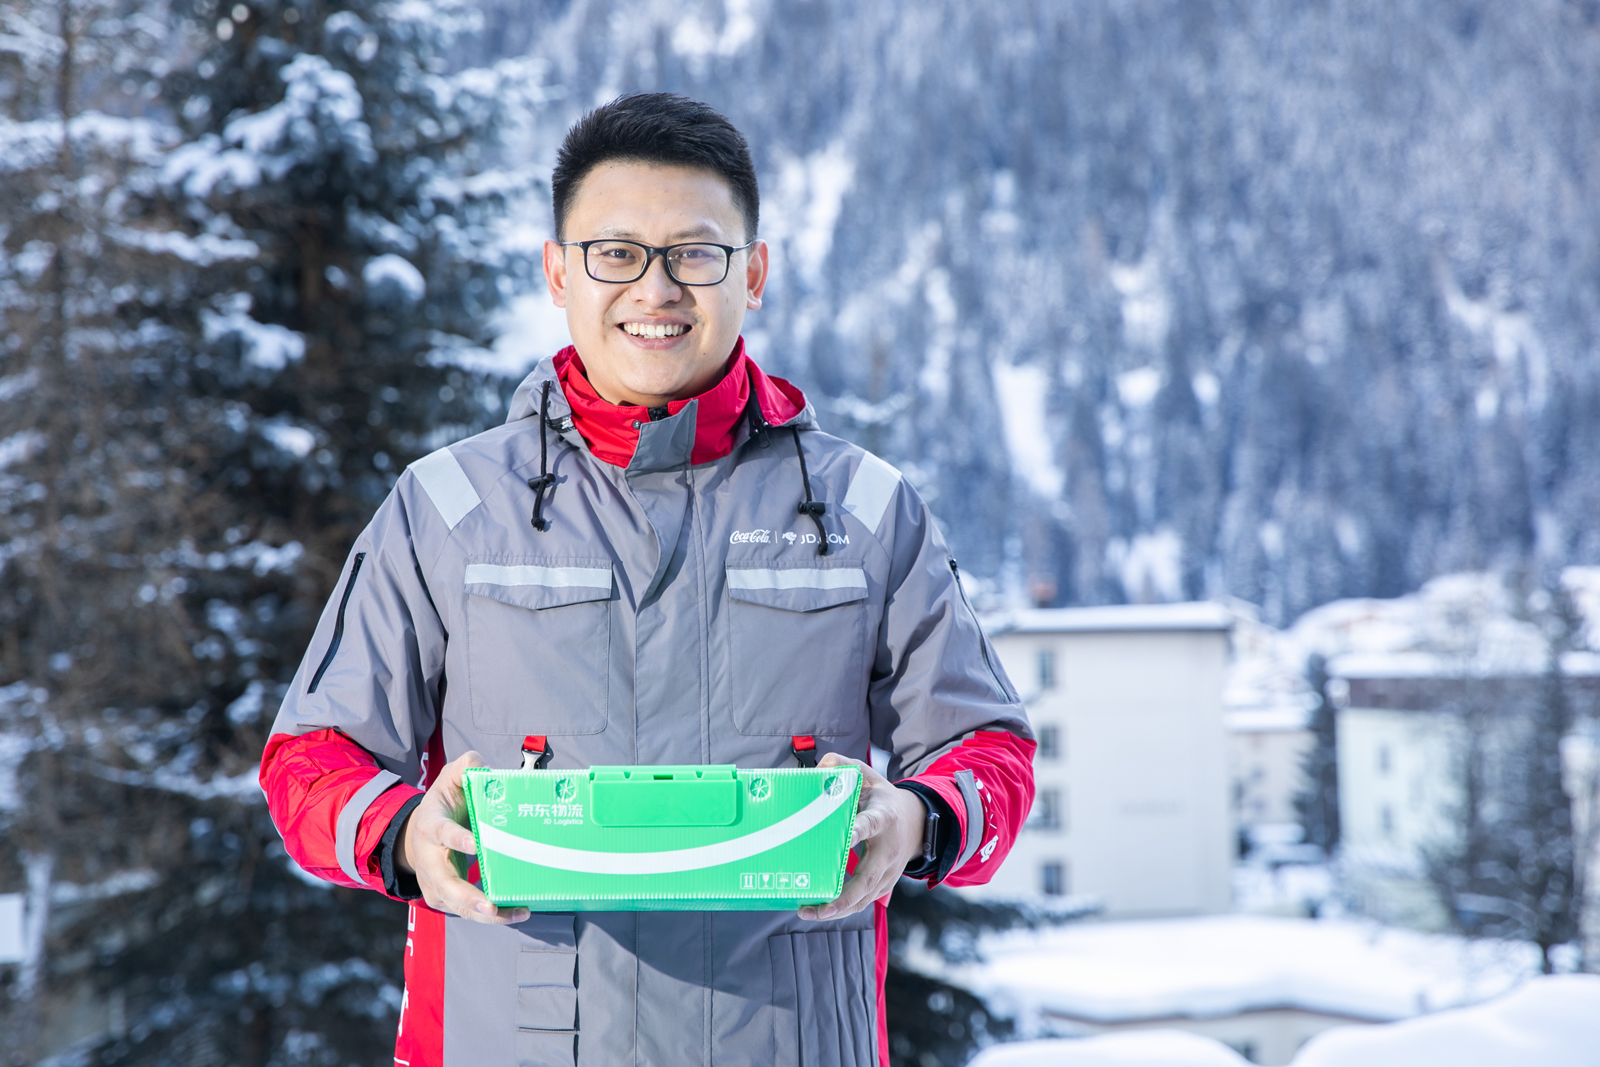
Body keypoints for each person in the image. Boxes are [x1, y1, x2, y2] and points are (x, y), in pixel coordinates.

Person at [260, 92, 1034, 1067]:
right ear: (558, 271)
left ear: (752, 273)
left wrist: (918, 819)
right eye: (616, 252)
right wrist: (404, 831)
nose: (656, 288)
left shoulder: (866, 512)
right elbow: (309, 762)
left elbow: (989, 752)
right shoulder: (448, 508)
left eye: (694, 254)